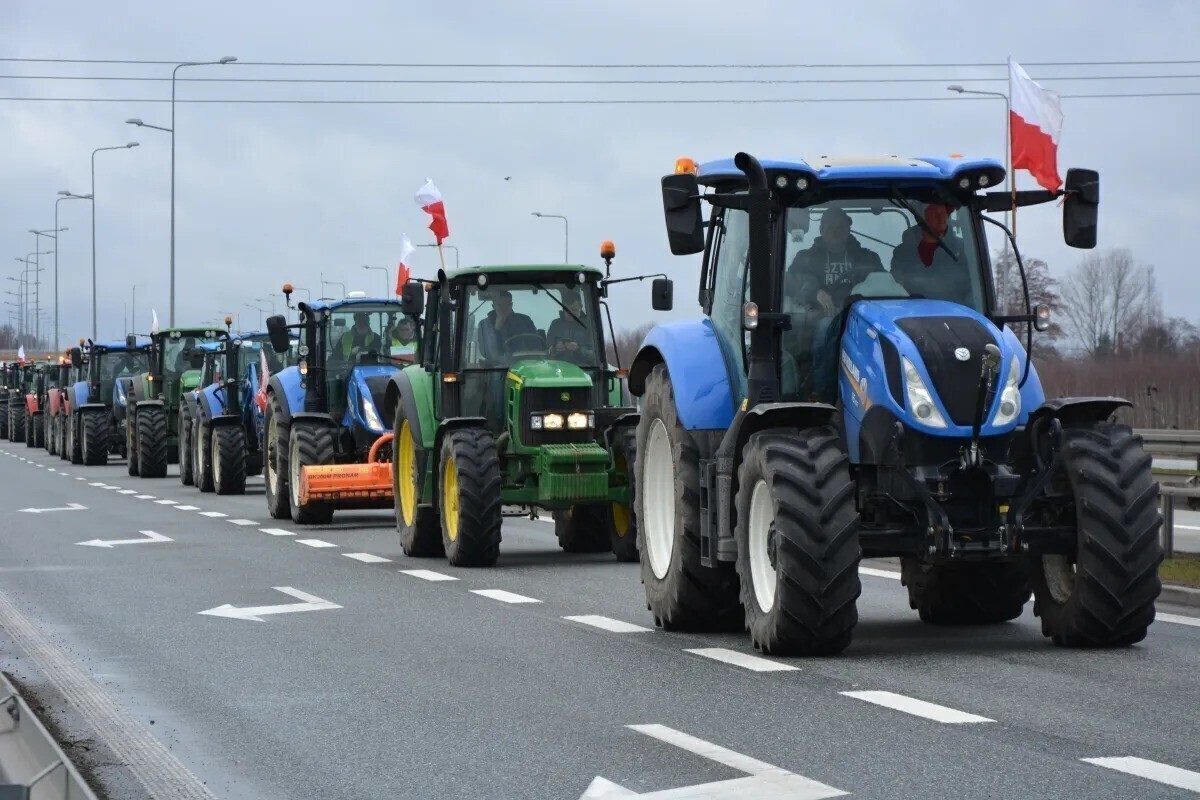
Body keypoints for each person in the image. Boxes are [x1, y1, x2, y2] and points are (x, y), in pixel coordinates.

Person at [785, 207, 883, 403]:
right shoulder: (805, 259)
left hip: (860, 318)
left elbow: (881, 282)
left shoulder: (868, 258)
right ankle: (822, 394)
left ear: (849, 229)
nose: (835, 231)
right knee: (825, 329)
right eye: (830, 227)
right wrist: (815, 292)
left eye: (840, 226)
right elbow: (789, 284)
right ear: (821, 230)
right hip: (819, 319)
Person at [889, 202, 971, 303]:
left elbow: (973, 287)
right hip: (912, 311)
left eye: (945, 213)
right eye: (934, 213)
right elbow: (897, 287)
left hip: (957, 311)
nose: (941, 217)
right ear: (921, 218)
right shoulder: (903, 253)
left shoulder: (962, 249)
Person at [477, 289, 537, 365]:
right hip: (496, 368)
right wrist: (497, 329)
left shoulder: (525, 321)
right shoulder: (484, 324)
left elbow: (535, 344)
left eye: (506, 305)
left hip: (522, 363)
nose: (503, 308)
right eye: (499, 305)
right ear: (493, 306)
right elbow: (486, 352)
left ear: (511, 305)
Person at [546, 290, 593, 364]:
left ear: (581, 307)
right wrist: (555, 349)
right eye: (567, 311)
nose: (571, 314)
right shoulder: (555, 325)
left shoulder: (590, 326)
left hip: (585, 369)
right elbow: (547, 350)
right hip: (558, 369)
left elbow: (595, 356)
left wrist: (578, 349)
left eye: (574, 310)